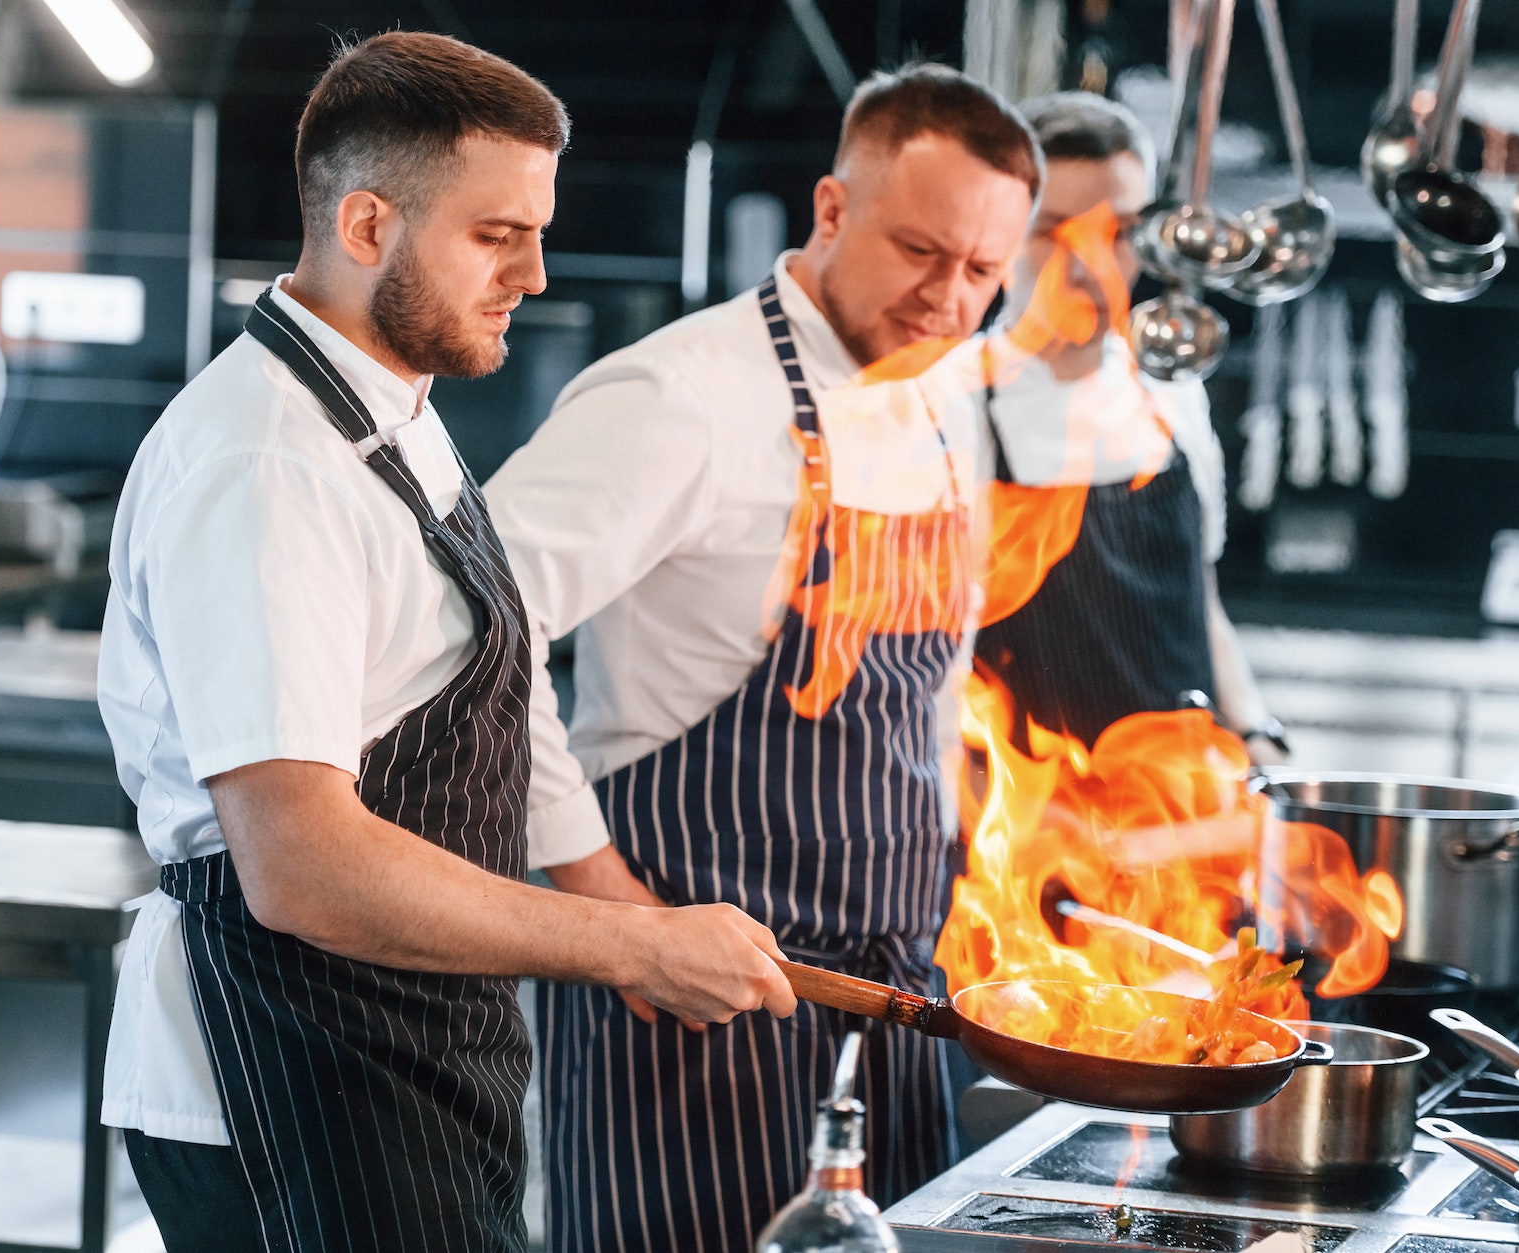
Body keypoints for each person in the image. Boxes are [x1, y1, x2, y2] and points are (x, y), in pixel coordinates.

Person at [96, 31, 795, 1253]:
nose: (531, 270)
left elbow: (486, 696)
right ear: (367, 225)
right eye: (495, 234)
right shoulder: (267, 463)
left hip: (405, 1047)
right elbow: (302, 865)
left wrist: (623, 916)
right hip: (286, 1065)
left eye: (535, 228)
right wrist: (629, 942)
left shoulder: (389, 408)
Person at [484, 63, 1042, 1253]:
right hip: (687, 1011)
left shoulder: (949, 401)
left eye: (983, 272)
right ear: (830, 210)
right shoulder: (679, 397)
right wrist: (605, 906)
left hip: (895, 1003)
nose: (949, 301)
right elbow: (470, 629)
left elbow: (931, 705)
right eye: (918, 251)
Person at [972, 90, 1285, 760]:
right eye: (1054, 230)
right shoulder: (952, 403)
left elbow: (1201, 605)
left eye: (1118, 232)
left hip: (1184, 819)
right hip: (1032, 832)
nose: (1088, 264)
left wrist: (1258, 730)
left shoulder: (1171, 389)